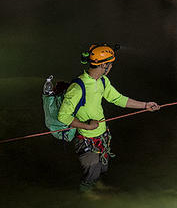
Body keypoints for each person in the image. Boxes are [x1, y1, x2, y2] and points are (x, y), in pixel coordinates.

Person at [57, 44, 160, 192]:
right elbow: (63, 116)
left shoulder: (103, 81)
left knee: (102, 168)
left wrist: (145, 105)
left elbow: (118, 99)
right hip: (86, 140)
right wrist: (87, 126)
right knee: (91, 173)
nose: (111, 67)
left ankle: (96, 185)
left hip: (102, 137)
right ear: (103, 65)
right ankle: (85, 196)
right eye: (110, 64)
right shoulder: (78, 87)